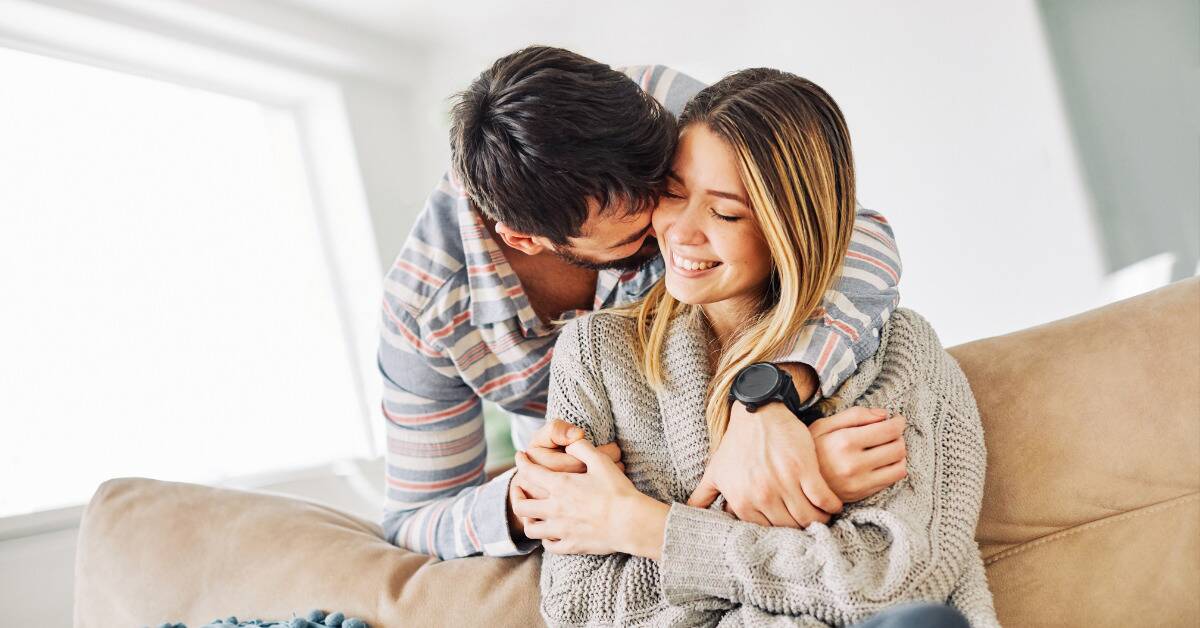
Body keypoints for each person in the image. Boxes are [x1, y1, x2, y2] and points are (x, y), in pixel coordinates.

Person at [378, 47, 906, 560]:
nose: (670, 227)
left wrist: (767, 393)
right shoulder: (424, 312)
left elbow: (841, 227)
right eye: (635, 231)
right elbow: (412, 519)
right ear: (524, 240)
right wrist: (526, 501)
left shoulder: (648, 108)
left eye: (667, 188)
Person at [515, 69, 999, 627]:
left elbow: (895, 580)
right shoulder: (595, 356)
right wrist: (798, 504)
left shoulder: (898, 352)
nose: (682, 232)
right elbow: (581, 613)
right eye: (672, 193)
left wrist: (640, 525)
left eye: (725, 212)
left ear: (792, 225)